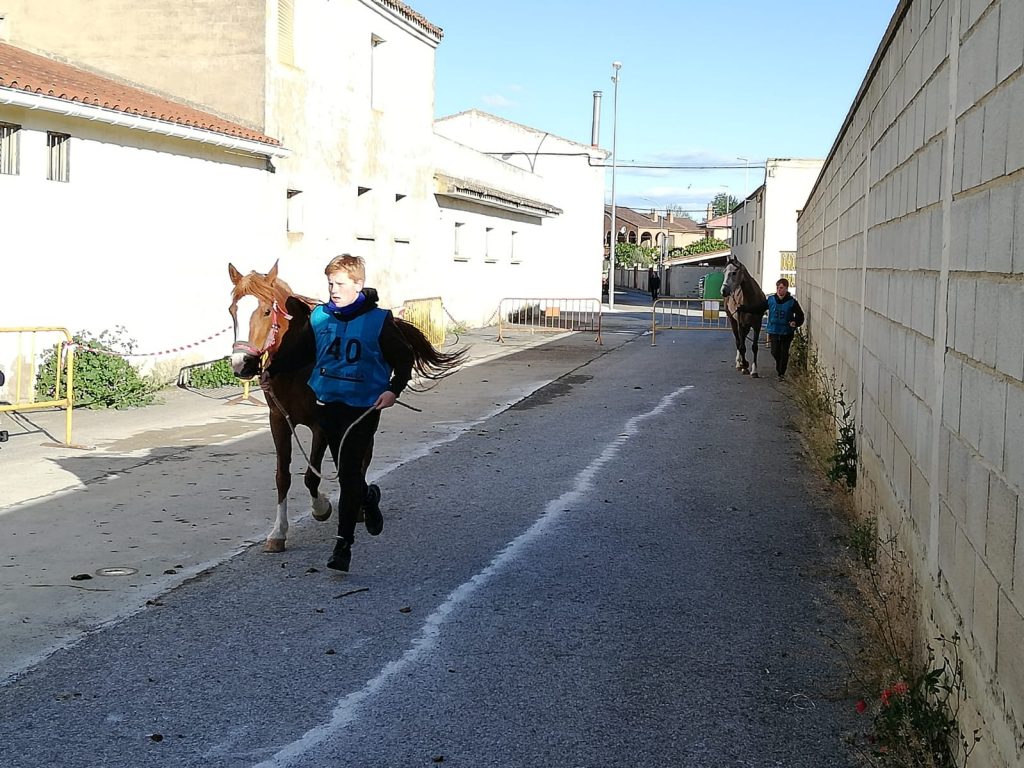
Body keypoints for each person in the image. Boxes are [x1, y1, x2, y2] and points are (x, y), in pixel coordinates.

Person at [308, 254, 414, 572]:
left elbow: (403, 357)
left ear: (358, 284)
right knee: (349, 476)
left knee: (349, 474)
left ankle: (343, 546)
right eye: (330, 283)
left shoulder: (378, 320)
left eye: (340, 284)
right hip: (328, 404)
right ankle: (368, 497)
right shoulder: (319, 317)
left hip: (364, 407)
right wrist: (270, 370)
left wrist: (394, 389)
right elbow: (300, 352)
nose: (333, 289)